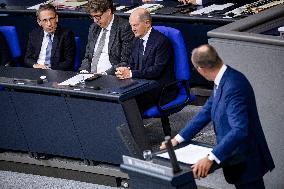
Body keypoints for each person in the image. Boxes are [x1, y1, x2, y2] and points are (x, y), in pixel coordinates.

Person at [160, 44, 275, 189]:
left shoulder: (233, 86)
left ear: (201, 69)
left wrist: (211, 157)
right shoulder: (223, 79)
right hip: (235, 156)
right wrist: (177, 139)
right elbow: (206, 112)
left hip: (247, 159)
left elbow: (240, 129)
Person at [115, 8, 175, 112]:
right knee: (115, 95)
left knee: (127, 102)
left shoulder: (161, 42)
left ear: (147, 23)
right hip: (142, 85)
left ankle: (134, 128)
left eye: (135, 25)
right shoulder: (136, 40)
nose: (132, 29)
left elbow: (156, 71)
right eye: (131, 25)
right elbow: (133, 63)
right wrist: (126, 69)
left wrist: (130, 74)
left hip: (160, 89)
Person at [79, 0, 134, 75]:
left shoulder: (124, 27)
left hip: (111, 76)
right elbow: (88, 56)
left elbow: (125, 61)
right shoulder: (93, 28)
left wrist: (105, 74)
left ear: (108, 11)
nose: (95, 20)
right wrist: (84, 71)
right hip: (90, 76)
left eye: (98, 16)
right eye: (92, 17)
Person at [24, 4, 75, 71]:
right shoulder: (34, 34)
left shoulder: (66, 34)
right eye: (45, 20)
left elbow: (69, 62)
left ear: (56, 18)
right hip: (37, 70)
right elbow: (27, 58)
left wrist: (49, 70)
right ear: (39, 22)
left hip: (56, 71)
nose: (49, 24)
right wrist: (35, 65)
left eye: (51, 19)